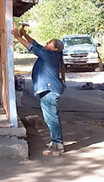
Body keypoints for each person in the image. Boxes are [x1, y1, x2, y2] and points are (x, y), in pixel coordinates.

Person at [12, 23, 66, 155]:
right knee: (51, 117)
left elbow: (30, 47)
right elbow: (36, 44)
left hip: (49, 91)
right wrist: (24, 34)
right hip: (48, 90)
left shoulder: (48, 55)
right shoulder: (51, 53)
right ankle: (55, 142)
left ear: (54, 49)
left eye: (49, 43)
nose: (46, 44)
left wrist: (17, 36)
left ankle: (58, 144)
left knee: (51, 118)